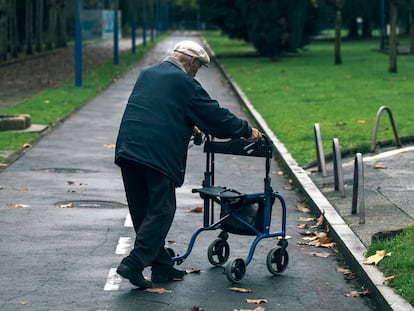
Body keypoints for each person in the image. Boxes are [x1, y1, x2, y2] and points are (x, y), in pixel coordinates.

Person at [114, 40, 262, 289]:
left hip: (129, 148)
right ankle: (134, 263)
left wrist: (186, 121)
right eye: (198, 67)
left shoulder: (148, 73)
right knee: (162, 210)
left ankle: (161, 265)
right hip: (156, 153)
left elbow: (158, 108)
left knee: (142, 210)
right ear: (191, 61)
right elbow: (215, 117)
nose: (196, 73)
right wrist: (246, 130)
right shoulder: (185, 82)